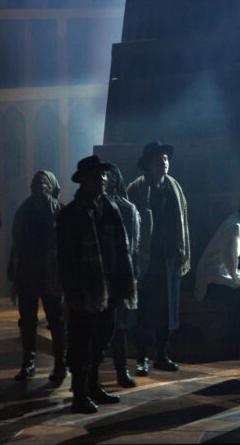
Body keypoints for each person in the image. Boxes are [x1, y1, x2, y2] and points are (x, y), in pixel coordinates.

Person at [57, 155, 137, 414]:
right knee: (81, 342)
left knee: (103, 336)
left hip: (110, 287)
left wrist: (123, 282)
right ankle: (80, 394)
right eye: (96, 176)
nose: (103, 179)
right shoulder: (71, 213)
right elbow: (66, 259)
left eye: (104, 175)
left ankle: (94, 385)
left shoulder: (111, 209)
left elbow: (120, 248)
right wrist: (73, 294)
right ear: (84, 181)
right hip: (85, 290)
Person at [126, 141, 191, 375]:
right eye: (158, 159)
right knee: (144, 311)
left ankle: (162, 355)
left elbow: (182, 223)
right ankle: (142, 358)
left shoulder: (175, 187)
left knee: (168, 310)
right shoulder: (137, 189)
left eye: (165, 159)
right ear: (149, 164)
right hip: (146, 260)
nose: (163, 163)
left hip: (170, 259)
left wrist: (180, 252)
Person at [8, 170, 66, 383]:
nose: (38, 185)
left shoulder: (59, 211)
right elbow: (16, 245)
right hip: (27, 273)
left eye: (43, 182)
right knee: (27, 320)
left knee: (56, 321)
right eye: (35, 182)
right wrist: (14, 274)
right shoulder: (24, 211)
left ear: (51, 187)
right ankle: (28, 361)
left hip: (51, 274)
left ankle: (60, 362)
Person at [194, 194, 240, 358]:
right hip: (213, 279)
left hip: (223, 276)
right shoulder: (235, 226)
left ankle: (239, 343)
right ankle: (236, 347)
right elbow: (231, 263)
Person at [105, 164, 143, 388]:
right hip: (98, 274)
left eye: (110, 176)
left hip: (119, 273)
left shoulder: (127, 208)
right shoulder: (94, 206)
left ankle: (121, 371)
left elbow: (134, 247)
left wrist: (132, 275)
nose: (106, 180)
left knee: (120, 327)